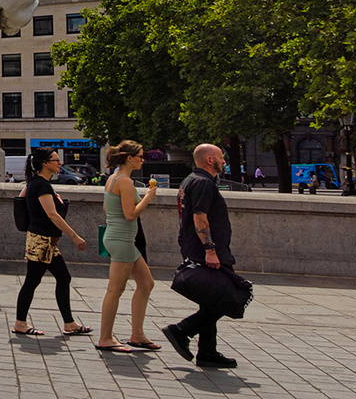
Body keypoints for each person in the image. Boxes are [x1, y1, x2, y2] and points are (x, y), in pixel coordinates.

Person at [162, 144, 243, 370]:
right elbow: (200, 217)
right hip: (206, 251)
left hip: (195, 247)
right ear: (210, 160)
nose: (224, 160)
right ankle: (181, 330)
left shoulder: (191, 180)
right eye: (220, 157)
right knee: (225, 297)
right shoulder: (204, 183)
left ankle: (207, 351)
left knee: (210, 299)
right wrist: (210, 249)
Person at [13, 147, 90, 337]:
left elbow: (20, 202)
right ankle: (20, 323)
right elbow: (52, 214)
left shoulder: (33, 183)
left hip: (41, 239)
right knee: (33, 280)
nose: (60, 163)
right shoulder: (42, 185)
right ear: (45, 163)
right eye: (56, 160)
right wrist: (74, 236)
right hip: (42, 240)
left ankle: (69, 323)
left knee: (61, 278)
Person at [96, 141, 157, 353]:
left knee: (147, 283)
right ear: (129, 158)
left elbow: (107, 207)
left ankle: (137, 335)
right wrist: (148, 197)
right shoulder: (125, 182)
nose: (143, 159)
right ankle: (105, 338)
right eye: (140, 156)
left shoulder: (113, 179)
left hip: (120, 238)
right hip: (122, 240)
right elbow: (131, 215)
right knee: (115, 289)